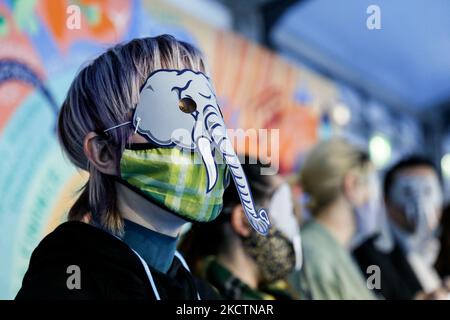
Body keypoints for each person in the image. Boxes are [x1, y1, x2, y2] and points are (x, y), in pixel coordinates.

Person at [16, 35, 270, 299]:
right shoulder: (64, 285)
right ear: (104, 151)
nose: (203, 138)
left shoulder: (201, 296)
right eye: (180, 110)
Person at [179, 157, 302, 300]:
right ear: (244, 221)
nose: (293, 225)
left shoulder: (279, 293)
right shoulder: (197, 296)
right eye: (284, 210)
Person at [289, 138, 376, 300]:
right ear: (351, 185)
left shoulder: (329, 246)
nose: (371, 195)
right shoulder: (316, 253)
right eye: (368, 184)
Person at [354, 156, 449, 299]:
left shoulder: (442, 247)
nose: (421, 202)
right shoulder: (369, 257)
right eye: (408, 192)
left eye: (428, 191)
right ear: (386, 200)